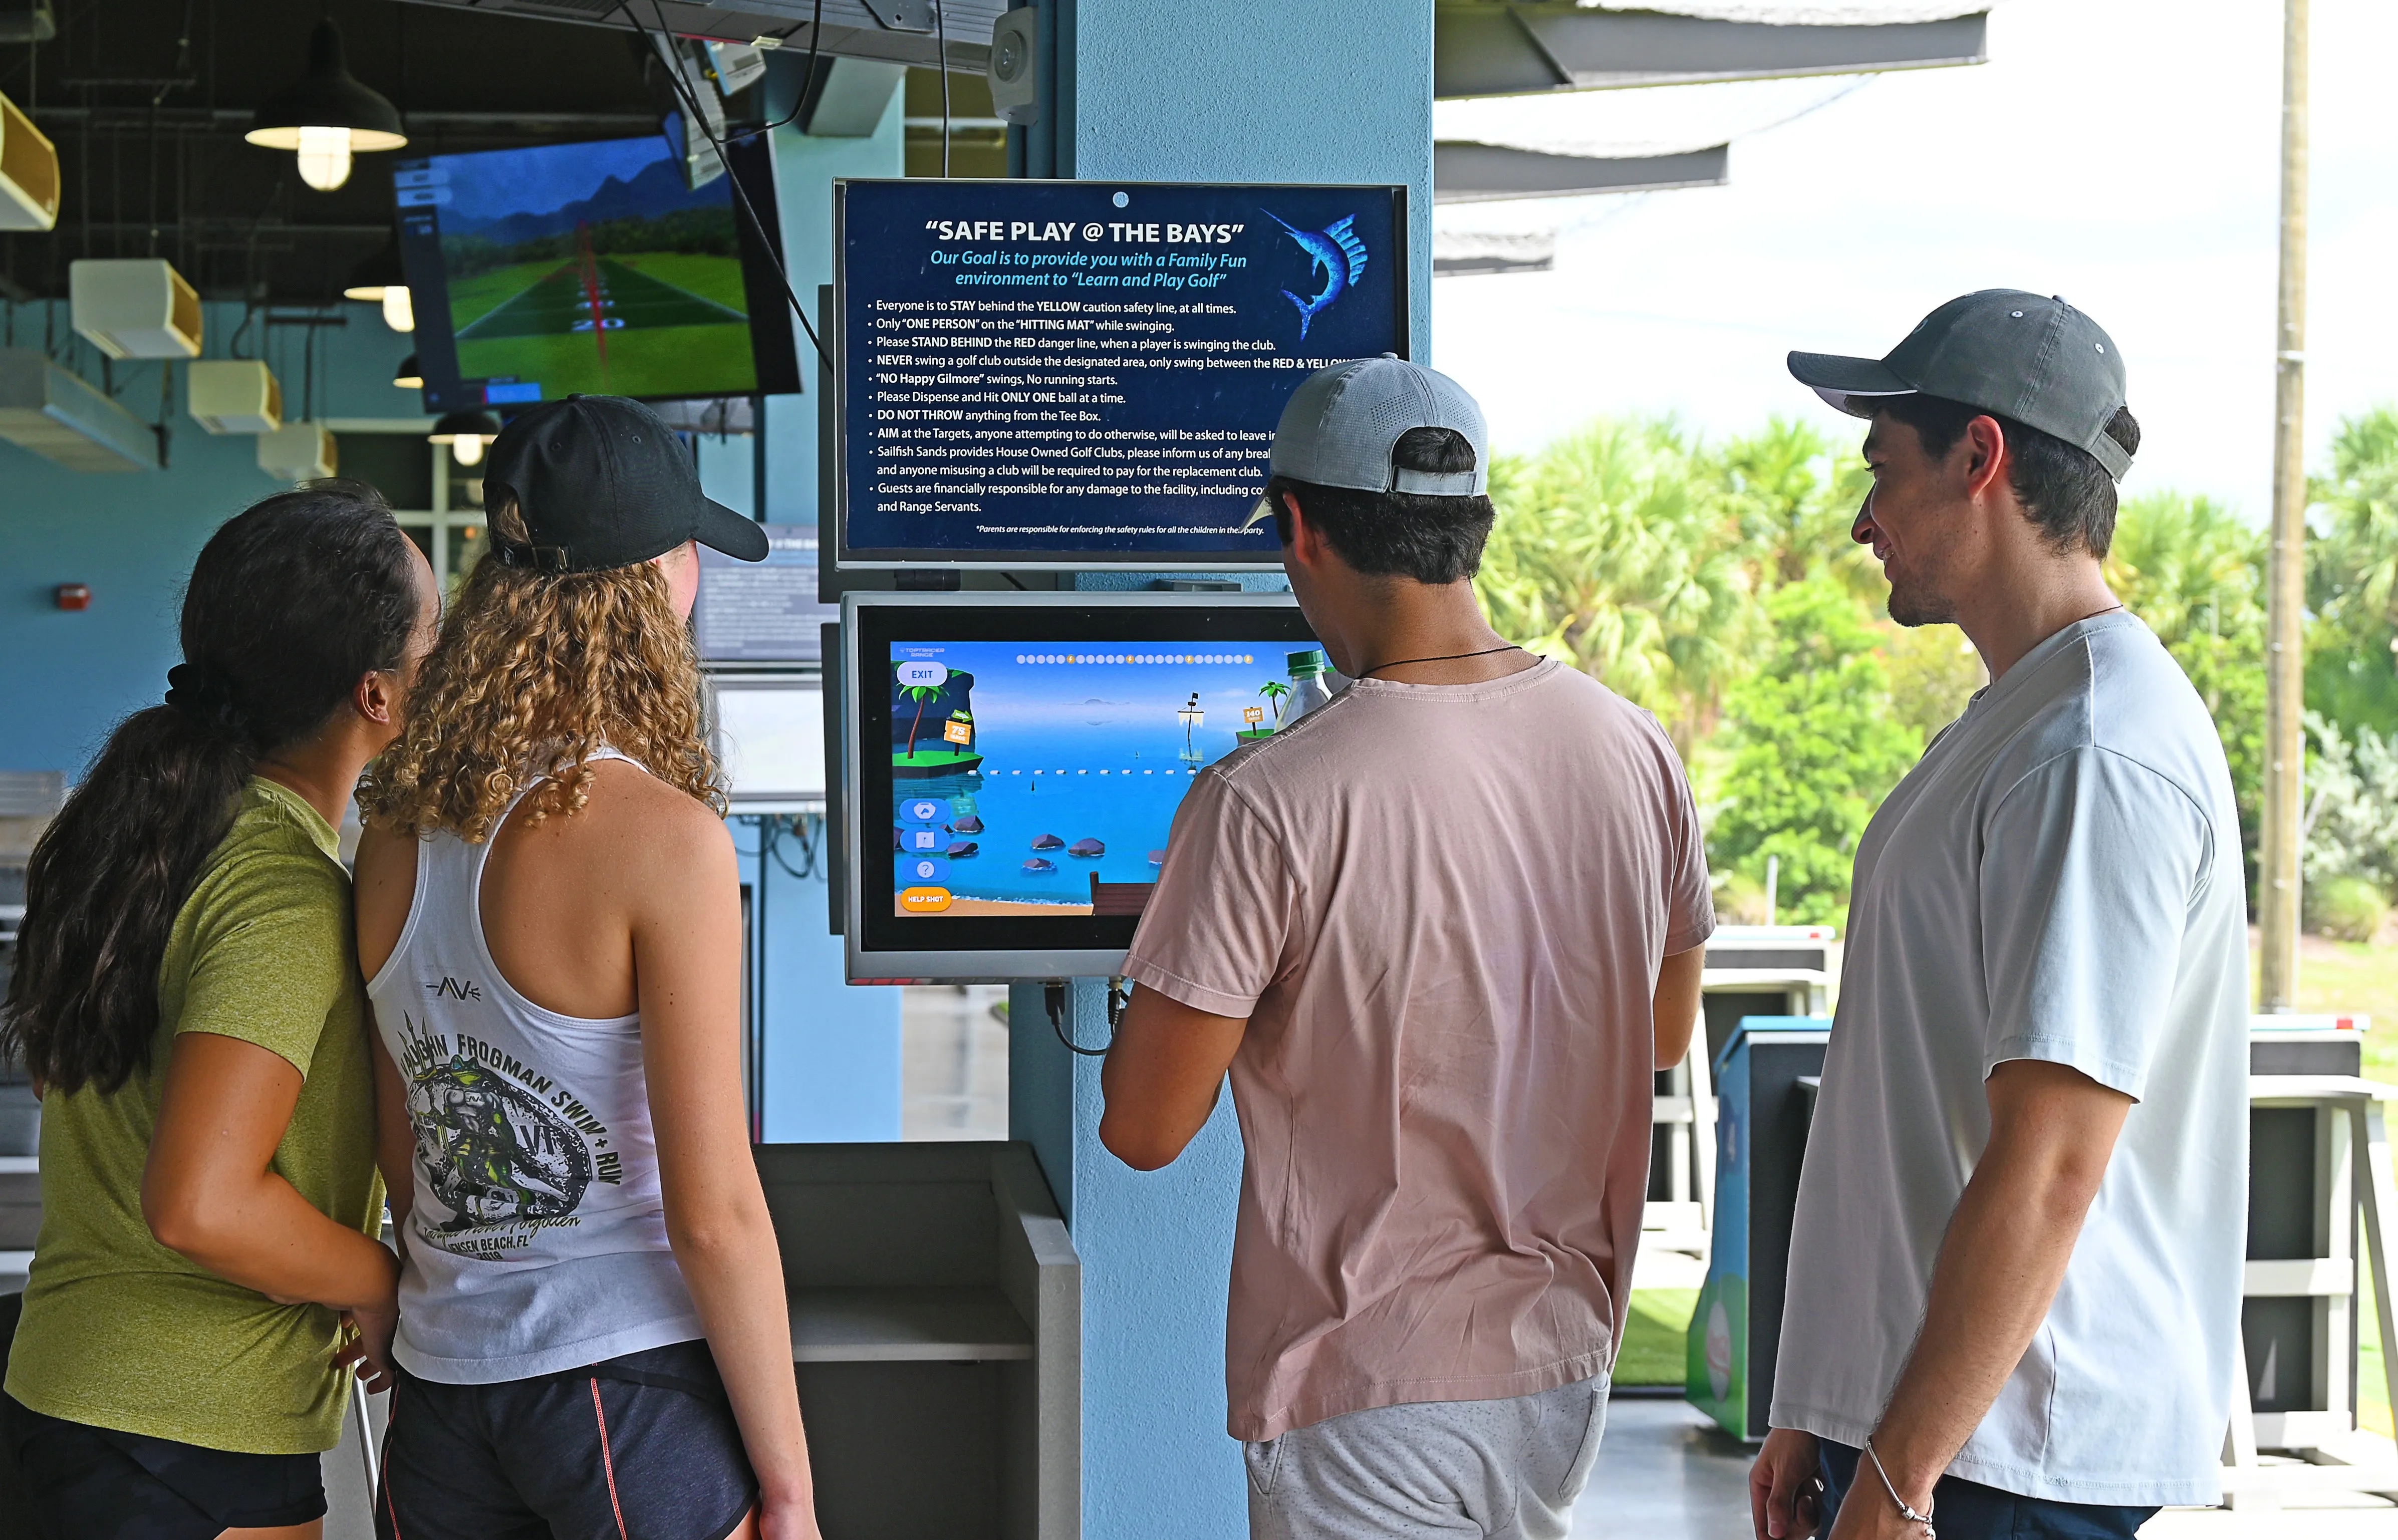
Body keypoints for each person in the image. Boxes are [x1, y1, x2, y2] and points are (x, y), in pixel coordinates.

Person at [1098, 356, 1714, 1540]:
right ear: (1469, 526)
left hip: (1364, 1390)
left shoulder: (1264, 799)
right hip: (1557, 1369)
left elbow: (1142, 1127)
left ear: (1295, 527)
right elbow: (1663, 1030)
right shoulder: (1633, 750)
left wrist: (1184, 940)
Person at [1747, 293, 2247, 1540]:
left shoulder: (2093, 747)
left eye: (1882, 474)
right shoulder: (2021, 719)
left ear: (1981, 458)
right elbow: (1911, 1096)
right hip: (1940, 1429)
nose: (1863, 521)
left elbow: (2052, 1160)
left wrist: (1900, 1479)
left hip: (2008, 1451)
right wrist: (1822, 1401)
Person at [353, 395, 819, 1540]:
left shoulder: (395, 829)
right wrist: (793, 1492)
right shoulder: (662, 837)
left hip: (446, 1388)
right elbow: (714, 1215)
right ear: (657, 579)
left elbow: (407, 1147)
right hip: (621, 1387)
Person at [0, 484, 439, 1539]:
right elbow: (200, 1200)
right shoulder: (279, 889)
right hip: (179, 1441)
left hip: (84, 1403)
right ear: (376, 693)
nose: (453, 667)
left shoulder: (155, 833)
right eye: (437, 637)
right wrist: (377, 1276)